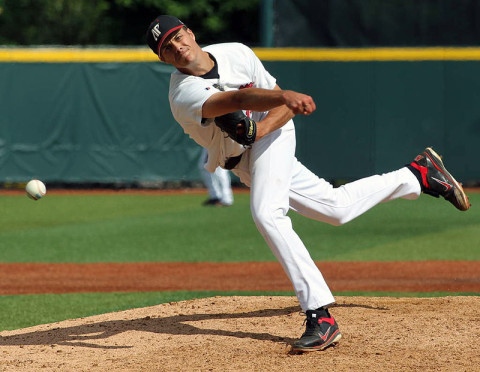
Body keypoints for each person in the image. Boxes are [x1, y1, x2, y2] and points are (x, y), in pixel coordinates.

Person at [145, 15, 470, 352]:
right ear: (163, 58)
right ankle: (416, 174)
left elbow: (278, 106)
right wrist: (277, 105)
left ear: (190, 33)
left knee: (267, 213)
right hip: (243, 158)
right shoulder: (182, 93)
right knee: (336, 208)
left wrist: (271, 116)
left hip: (273, 136)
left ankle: (320, 315)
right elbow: (235, 102)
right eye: (167, 47)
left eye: (178, 37)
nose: (177, 47)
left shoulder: (236, 53)